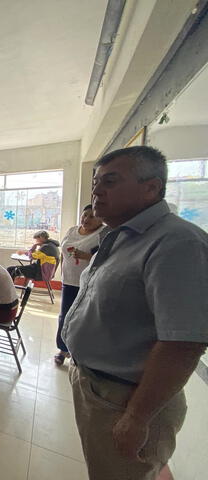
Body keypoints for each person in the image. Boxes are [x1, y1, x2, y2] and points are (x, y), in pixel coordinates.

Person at [62, 146, 208, 480]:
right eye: (96, 182)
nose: (97, 191)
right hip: (98, 387)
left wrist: (138, 417)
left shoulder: (176, 243)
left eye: (110, 181)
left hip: (127, 398)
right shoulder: (120, 236)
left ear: (151, 188)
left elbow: (183, 342)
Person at [53, 204, 103, 365]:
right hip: (69, 280)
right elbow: (63, 251)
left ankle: (80, 352)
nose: (86, 219)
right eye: (85, 215)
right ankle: (62, 349)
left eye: (92, 216)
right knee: (65, 316)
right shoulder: (72, 230)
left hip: (89, 282)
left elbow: (106, 259)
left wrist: (86, 256)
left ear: (100, 218)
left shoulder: (103, 234)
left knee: (84, 318)